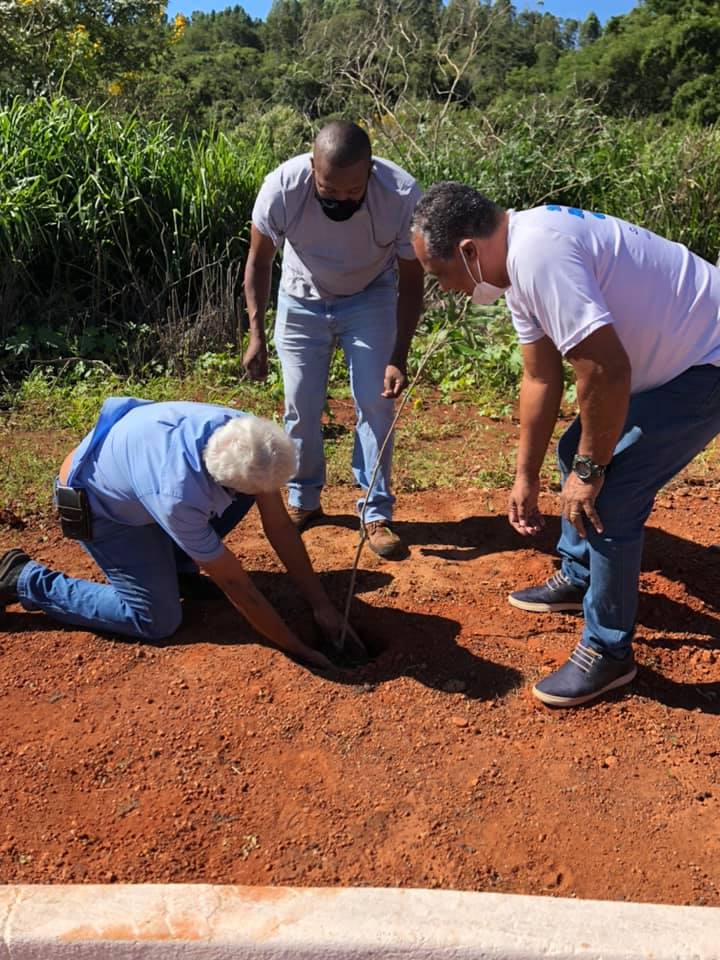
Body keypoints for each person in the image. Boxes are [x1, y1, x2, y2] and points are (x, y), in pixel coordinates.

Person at [410, 182, 720, 707]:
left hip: (706, 361)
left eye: (441, 275)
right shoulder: (516, 263)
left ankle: (608, 652)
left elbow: (604, 369)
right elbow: (540, 380)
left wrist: (591, 471)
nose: (446, 289)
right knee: (573, 447)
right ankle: (580, 576)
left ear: (467, 250)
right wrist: (525, 475)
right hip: (672, 359)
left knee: (612, 493)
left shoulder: (539, 254)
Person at [0, 398, 365, 670]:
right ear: (224, 483)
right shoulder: (177, 497)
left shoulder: (247, 437)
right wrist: (298, 648)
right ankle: (23, 578)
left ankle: (179, 570)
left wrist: (322, 606)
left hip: (138, 484)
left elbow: (279, 526)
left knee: (250, 493)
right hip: (99, 507)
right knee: (156, 619)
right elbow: (237, 586)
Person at [242, 120, 425, 558]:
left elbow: (412, 279)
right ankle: (304, 502)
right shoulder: (282, 187)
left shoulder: (400, 194)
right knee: (300, 405)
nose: (341, 198)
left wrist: (399, 354)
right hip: (301, 298)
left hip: (371, 298)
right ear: (312, 166)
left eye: (352, 191)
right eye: (330, 189)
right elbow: (259, 261)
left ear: (371, 171)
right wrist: (255, 333)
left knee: (375, 402)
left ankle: (375, 512)